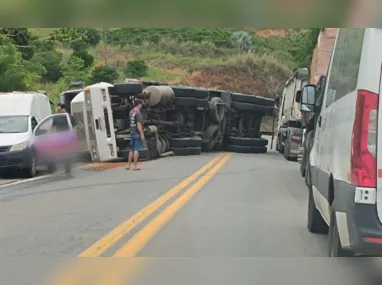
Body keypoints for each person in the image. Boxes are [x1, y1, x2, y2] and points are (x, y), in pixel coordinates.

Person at [127, 99, 145, 170]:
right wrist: (142, 134)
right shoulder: (138, 113)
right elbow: (138, 124)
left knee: (131, 149)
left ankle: (128, 166)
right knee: (136, 149)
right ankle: (135, 166)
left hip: (132, 132)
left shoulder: (131, 112)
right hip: (137, 133)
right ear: (139, 105)